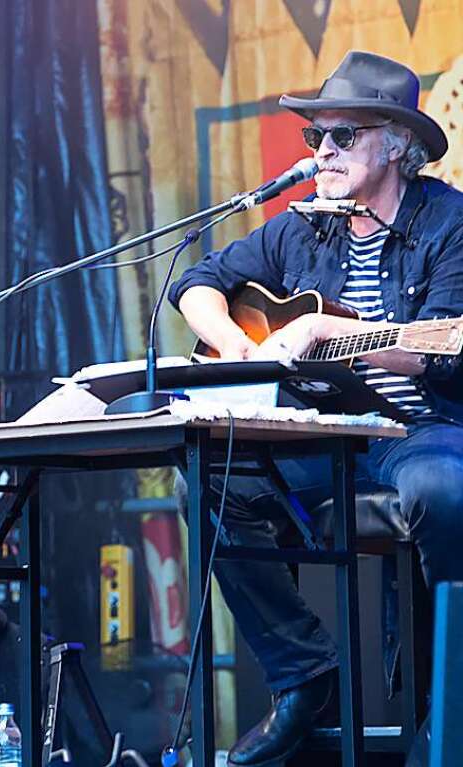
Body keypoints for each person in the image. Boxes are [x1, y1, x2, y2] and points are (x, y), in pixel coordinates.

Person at [168, 51, 463, 766]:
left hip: (418, 427)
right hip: (325, 434)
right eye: (314, 139)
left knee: (440, 490)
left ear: (397, 145)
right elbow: (198, 284)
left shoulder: (450, 221)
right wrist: (241, 347)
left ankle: (441, 705)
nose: (322, 152)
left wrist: (332, 332)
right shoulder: (302, 227)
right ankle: (305, 676)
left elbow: (444, 348)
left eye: (342, 137)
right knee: (206, 474)